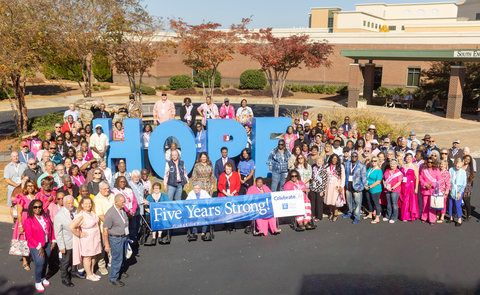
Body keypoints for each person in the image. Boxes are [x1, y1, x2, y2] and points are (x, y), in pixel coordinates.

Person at [24, 200, 56, 292]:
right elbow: (29, 237)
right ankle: (38, 282)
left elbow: (51, 229)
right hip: (35, 245)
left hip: (47, 243)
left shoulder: (45, 217)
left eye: (39, 207)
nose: (38, 209)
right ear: (31, 208)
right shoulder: (29, 220)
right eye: (35, 207)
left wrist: (53, 241)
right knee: (40, 263)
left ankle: (42, 277)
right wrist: (39, 247)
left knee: (45, 261)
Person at [54, 195, 85, 287]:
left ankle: (74, 272)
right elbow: (58, 232)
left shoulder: (75, 210)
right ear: (63, 203)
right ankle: (64, 277)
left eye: (72, 202)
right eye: (69, 203)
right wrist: (61, 246)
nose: (71, 204)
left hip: (76, 240)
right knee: (66, 261)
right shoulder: (59, 215)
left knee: (75, 258)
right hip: (66, 242)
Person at [69, 197, 102, 281]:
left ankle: (92, 272)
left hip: (95, 238)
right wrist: (79, 234)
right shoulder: (81, 216)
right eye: (86, 203)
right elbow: (71, 227)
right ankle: (89, 275)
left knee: (94, 255)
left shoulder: (92, 212)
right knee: (87, 257)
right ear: (82, 205)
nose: (88, 205)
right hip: (87, 239)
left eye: (89, 203)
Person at [103, 194, 129, 287]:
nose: (124, 203)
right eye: (122, 202)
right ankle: (113, 278)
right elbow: (105, 229)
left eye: (124, 201)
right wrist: (106, 244)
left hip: (123, 237)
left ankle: (119, 272)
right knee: (117, 259)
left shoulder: (122, 209)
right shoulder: (110, 214)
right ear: (116, 202)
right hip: (115, 238)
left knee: (122, 257)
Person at [12, 180, 38, 271]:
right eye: (28, 186)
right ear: (25, 187)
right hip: (24, 218)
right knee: (24, 239)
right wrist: (20, 225)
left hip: (35, 219)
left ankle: (32, 256)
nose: (30, 187)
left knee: (34, 238)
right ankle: (24, 260)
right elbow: (19, 212)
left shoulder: (37, 196)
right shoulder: (22, 197)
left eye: (32, 185)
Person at [92, 181, 115, 276]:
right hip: (104, 227)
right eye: (105, 189)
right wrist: (112, 223)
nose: (107, 190)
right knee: (102, 246)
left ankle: (112, 262)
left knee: (112, 245)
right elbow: (100, 215)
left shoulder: (112, 196)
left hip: (114, 226)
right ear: (100, 189)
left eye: (108, 188)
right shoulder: (97, 199)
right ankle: (101, 265)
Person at [343, 152, 367, 224]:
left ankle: (356, 216)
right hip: (348, 186)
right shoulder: (347, 164)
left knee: (357, 203)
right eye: (352, 156)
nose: (354, 157)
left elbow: (364, 178)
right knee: (349, 201)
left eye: (355, 156)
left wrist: (361, 187)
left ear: (357, 157)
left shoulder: (362, 166)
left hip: (357, 187)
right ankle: (349, 212)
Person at [4, 151, 28, 222]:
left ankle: (23, 220)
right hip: (12, 189)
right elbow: (7, 179)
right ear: (11, 157)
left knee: (23, 204)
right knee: (13, 206)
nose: (16, 157)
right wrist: (16, 185)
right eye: (14, 156)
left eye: (17, 156)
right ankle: (15, 221)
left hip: (23, 189)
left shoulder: (24, 165)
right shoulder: (7, 167)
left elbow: (27, 176)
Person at [397, 153, 419, 222]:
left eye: (410, 157)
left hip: (410, 185)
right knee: (402, 200)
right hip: (403, 185)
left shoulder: (414, 166)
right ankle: (403, 215)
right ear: (405, 158)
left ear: (412, 158)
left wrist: (416, 188)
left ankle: (408, 216)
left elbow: (417, 178)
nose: (408, 158)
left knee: (409, 201)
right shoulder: (402, 165)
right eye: (407, 157)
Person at [324, 154, 345, 222]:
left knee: (335, 200)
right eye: (333, 158)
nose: (334, 160)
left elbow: (343, 177)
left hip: (337, 185)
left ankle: (335, 214)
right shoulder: (327, 165)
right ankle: (331, 213)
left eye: (336, 158)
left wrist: (341, 186)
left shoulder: (340, 166)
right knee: (330, 200)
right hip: (329, 185)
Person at [128, 170, 146, 245]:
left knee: (139, 224)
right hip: (134, 208)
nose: (137, 178)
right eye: (135, 177)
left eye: (138, 177)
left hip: (141, 207)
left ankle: (136, 238)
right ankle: (133, 242)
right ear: (132, 177)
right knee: (133, 225)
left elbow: (141, 195)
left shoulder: (141, 184)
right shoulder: (129, 185)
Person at [447, 158, 467, 227]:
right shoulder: (451, 170)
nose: (458, 165)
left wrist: (460, 192)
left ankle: (459, 219)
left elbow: (464, 183)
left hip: (458, 189)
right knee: (450, 203)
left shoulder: (463, 172)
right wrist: (449, 189)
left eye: (460, 164)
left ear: (462, 164)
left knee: (458, 205)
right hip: (451, 189)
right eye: (457, 163)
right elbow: (449, 180)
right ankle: (451, 217)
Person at [364, 155, 383, 224]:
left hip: (375, 189)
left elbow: (378, 181)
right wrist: (366, 186)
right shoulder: (370, 168)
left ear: (377, 161)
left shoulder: (379, 170)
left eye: (375, 161)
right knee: (369, 202)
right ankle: (370, 213)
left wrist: (369, 187)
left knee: (376, 203)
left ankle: (377, 217)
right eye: (372, 161)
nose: (373, 162)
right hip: (367, 187)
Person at [383, 159, 403, 223]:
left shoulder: (398, 172)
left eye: (394, 164)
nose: (392, 165)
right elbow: (383, 179)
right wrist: (385, 186)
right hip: (387, 189)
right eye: (391, 164)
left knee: (394, 204)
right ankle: (388, 216)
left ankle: (394, 217)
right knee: (388, 203)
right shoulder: (387, 171)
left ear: (396, 165)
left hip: (395, 190)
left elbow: (399, 182)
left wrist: (392, 188)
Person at [309, 157, 327, 222]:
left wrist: (322, 190)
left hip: (320, 188)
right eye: (317, 161)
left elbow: (325, 181)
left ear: (322, 162)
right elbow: (311, 178)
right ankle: (313, 214)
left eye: (320, 161)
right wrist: (310, 187)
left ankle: (319, 216)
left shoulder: (324, 169)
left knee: (319, 202)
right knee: (313, 202)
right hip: (313, 188)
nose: (318, 162)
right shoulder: (313, 168)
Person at [462, 155, 475, 222]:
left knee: (466, 201)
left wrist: (466, 190)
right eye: (465, 159)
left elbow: (469, 181)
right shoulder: (460, 166)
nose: (466, 160)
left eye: (468, 159)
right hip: (458, 187)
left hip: (465, 188)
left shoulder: (469, 168)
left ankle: (468, 215)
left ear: (470, 161)